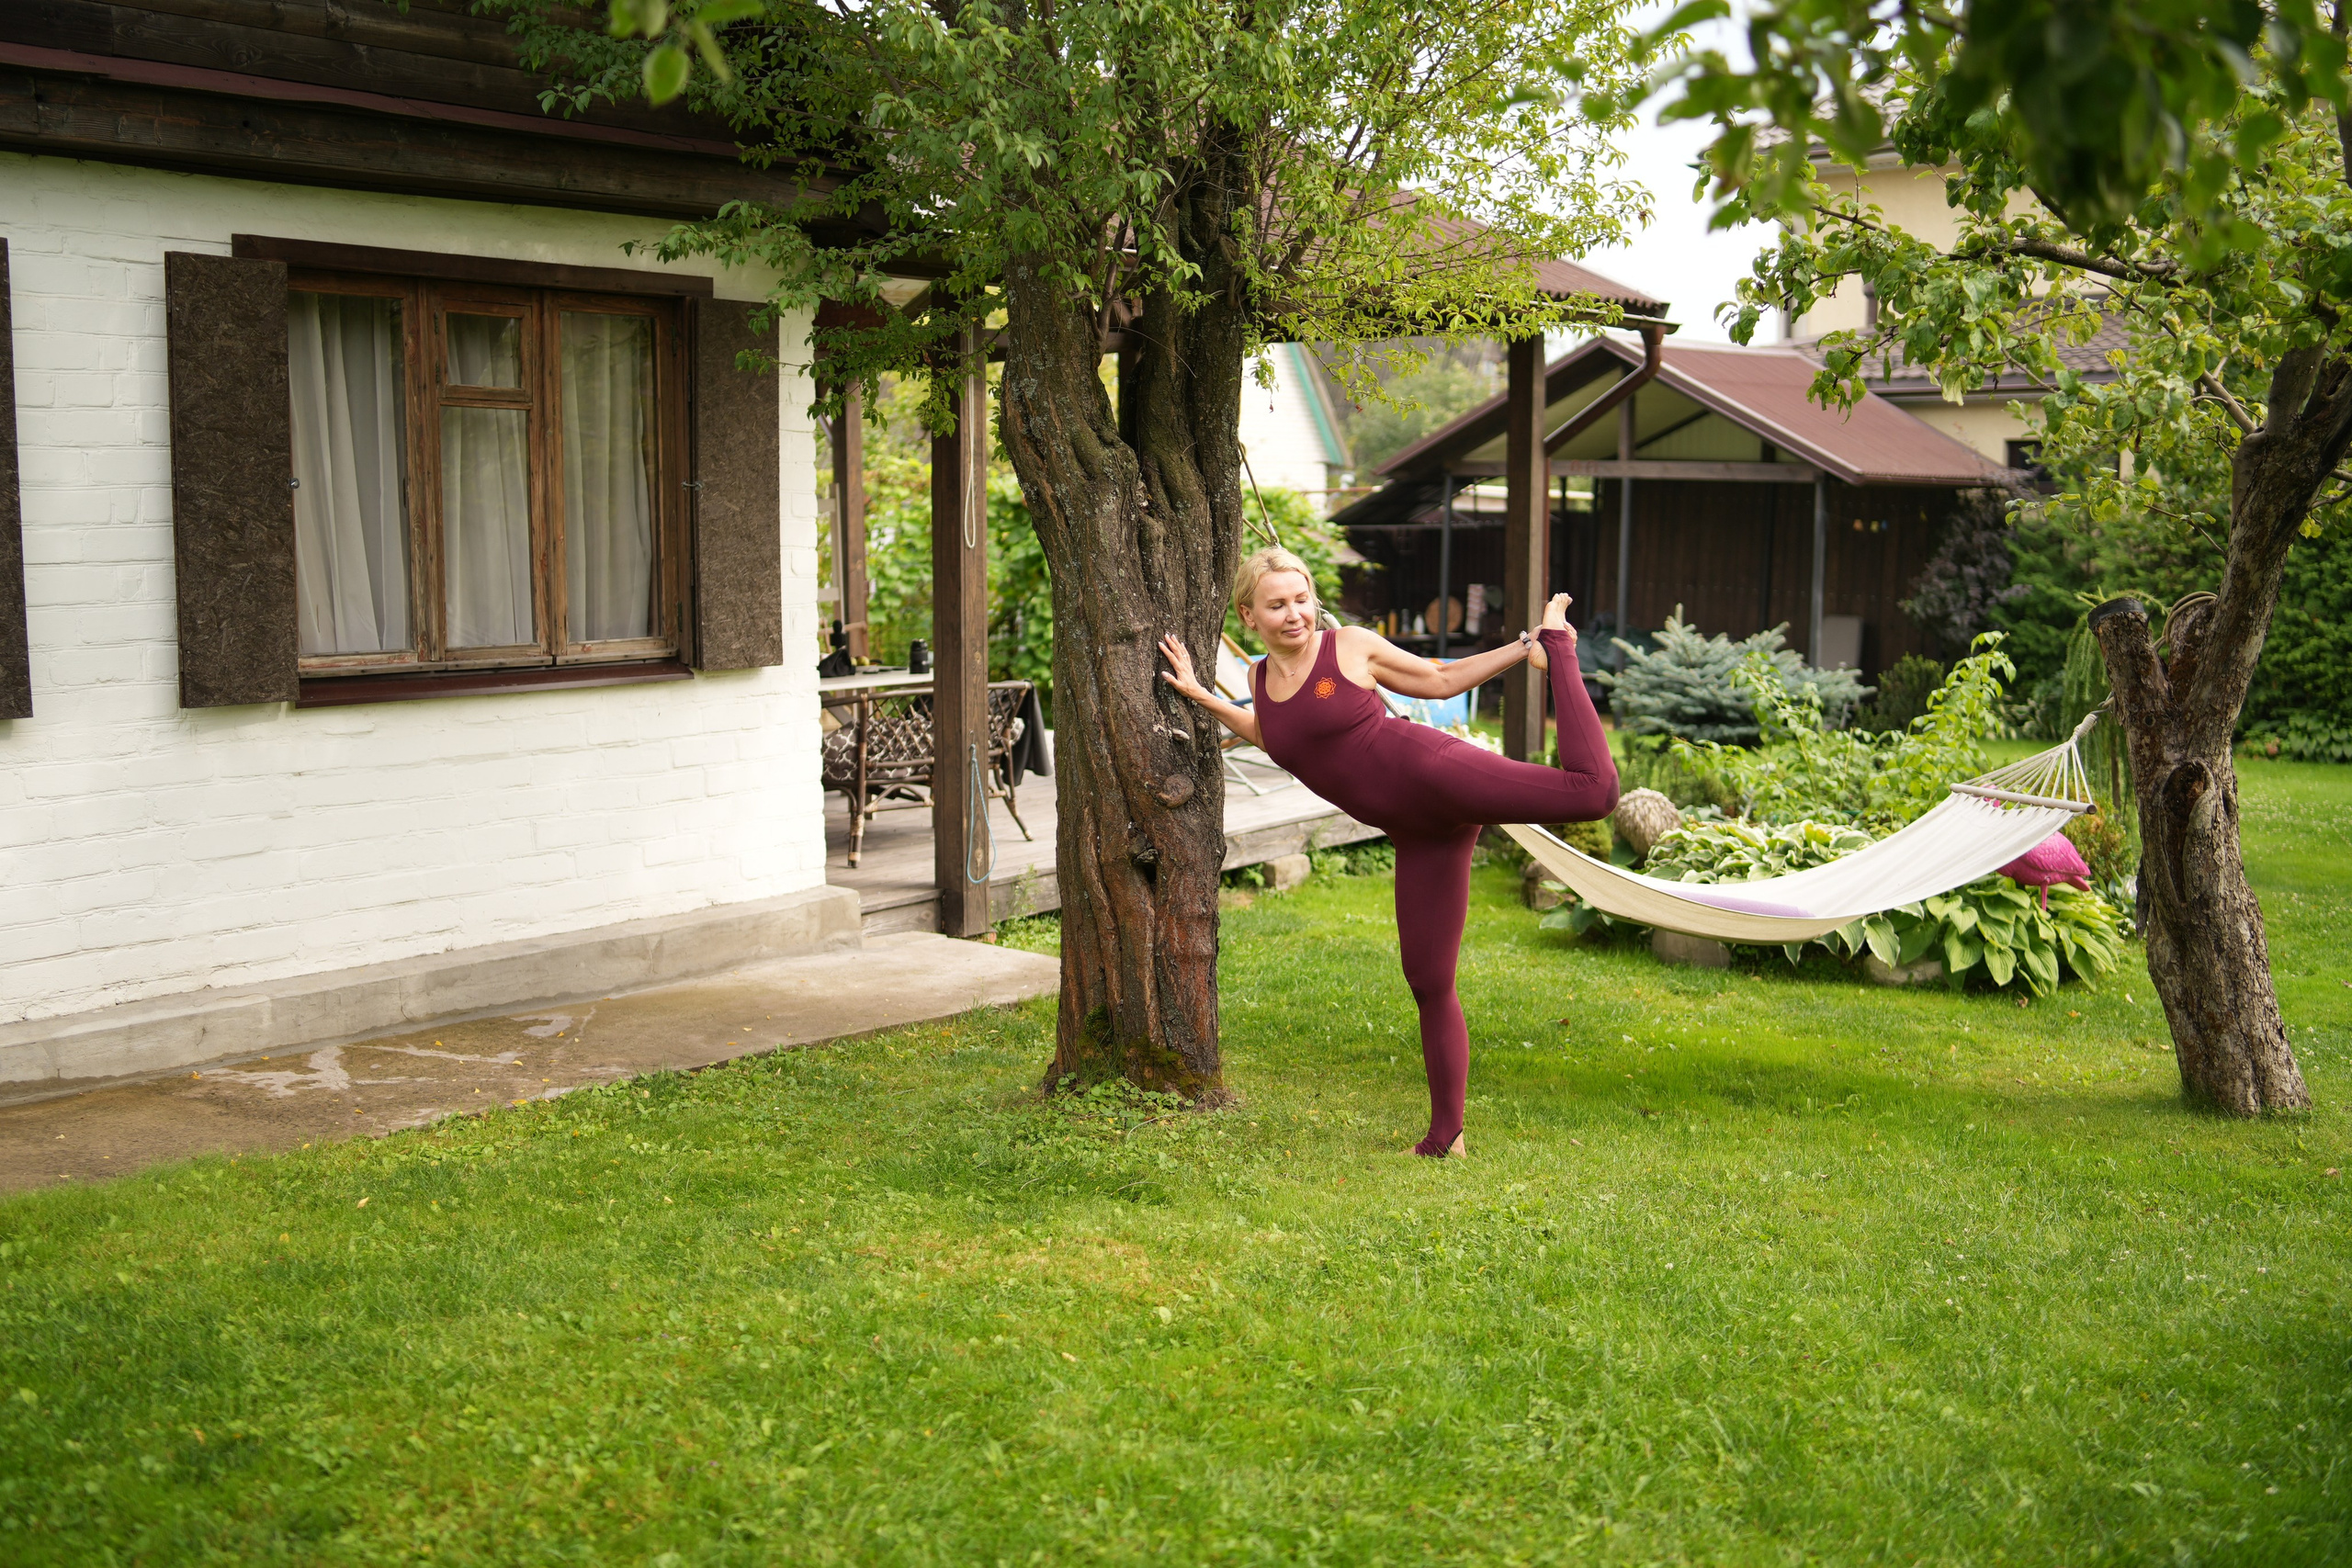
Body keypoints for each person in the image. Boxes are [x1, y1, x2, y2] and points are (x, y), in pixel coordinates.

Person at [1159, 547, 1618, 1158]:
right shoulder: (1258, 680)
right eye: (1277, 605)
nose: (1294, 614)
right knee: (1428, 979)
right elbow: (1272, 734)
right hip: (1420, 835)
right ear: (1249, 615)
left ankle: (1560, 645)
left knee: (1593, 792)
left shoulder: (1347, 647)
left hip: (1436, 774)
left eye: (1301, 599)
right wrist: (1200, 694)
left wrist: (1528, 646)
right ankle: (1445, 1138)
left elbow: (1439, 679)